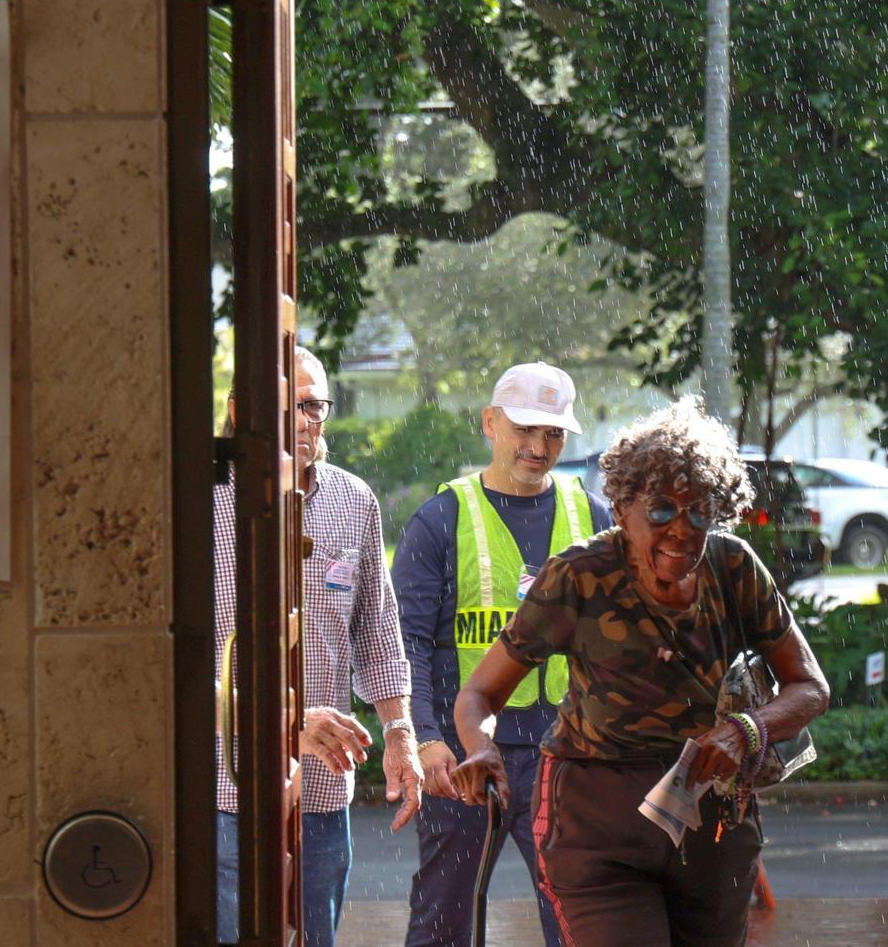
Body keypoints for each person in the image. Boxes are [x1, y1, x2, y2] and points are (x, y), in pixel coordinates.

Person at [452, 399, 830, 947]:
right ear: (623, 504)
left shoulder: (733, 566)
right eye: (661, 510)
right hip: (596, 819)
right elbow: (480, 694)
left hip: (711, 818)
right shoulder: (578, 577)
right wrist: (479, 747)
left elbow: (809, 687)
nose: (682, 531)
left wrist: (746, 730)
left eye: (700, 512)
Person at [395, 361, 612, 947]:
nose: (538, 447)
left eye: (553, 434)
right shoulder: (441, 520)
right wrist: (426, 737)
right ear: (490, 423)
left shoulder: (591, 517)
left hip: (566, 759)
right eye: (524, 429)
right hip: (465, 758)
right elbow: (405, 643)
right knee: (445, 919)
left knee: (579, 918)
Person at [215, 345, 424, 947]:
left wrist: (400, 735)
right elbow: (173, 662)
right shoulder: (196, 501)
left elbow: (378, 632)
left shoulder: (352, 500)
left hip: (322, 794)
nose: (305, 421)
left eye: (315, 406)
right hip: (225, 794)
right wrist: (282, 723)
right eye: (288, 407)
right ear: (239, 412)